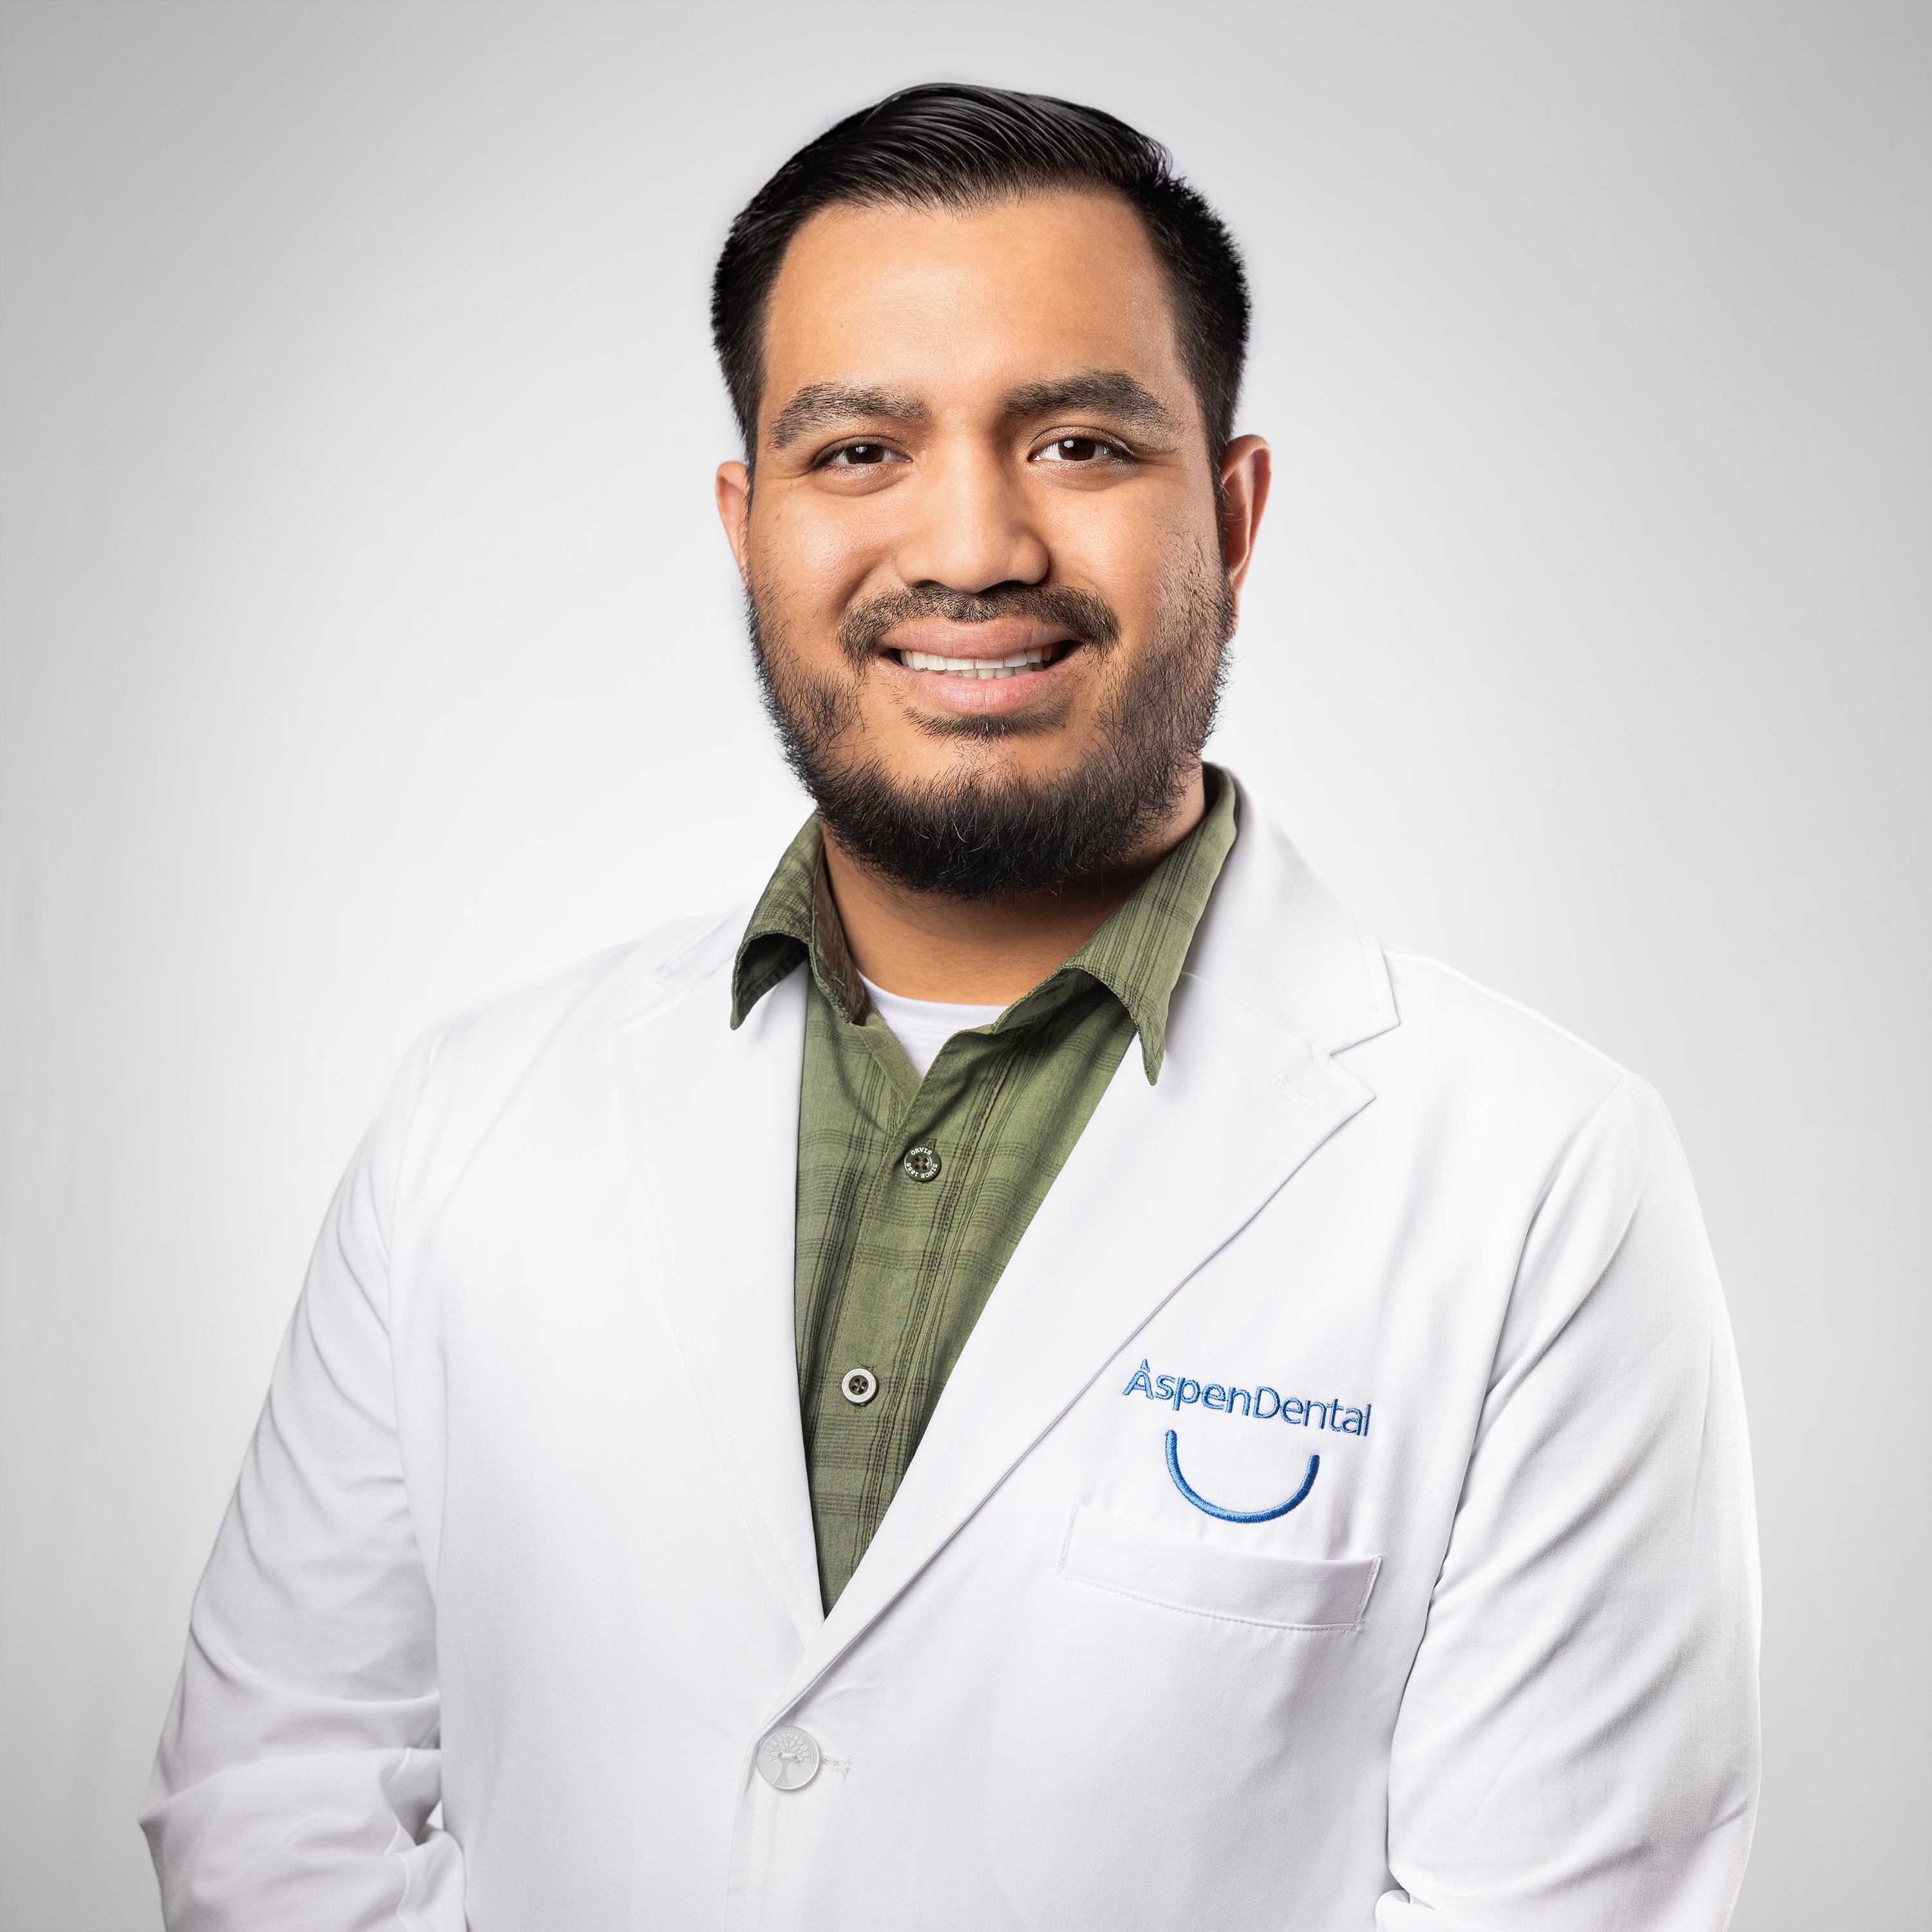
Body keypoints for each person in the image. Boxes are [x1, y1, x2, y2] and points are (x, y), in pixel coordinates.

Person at [140, 84, 1760, 1931]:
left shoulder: (1540, 1179)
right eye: (859, 451)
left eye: (1078, 443)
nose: (974, 546)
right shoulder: (472, 1114)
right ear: (749, 527)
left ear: (1233, 518)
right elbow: (273, 1798)